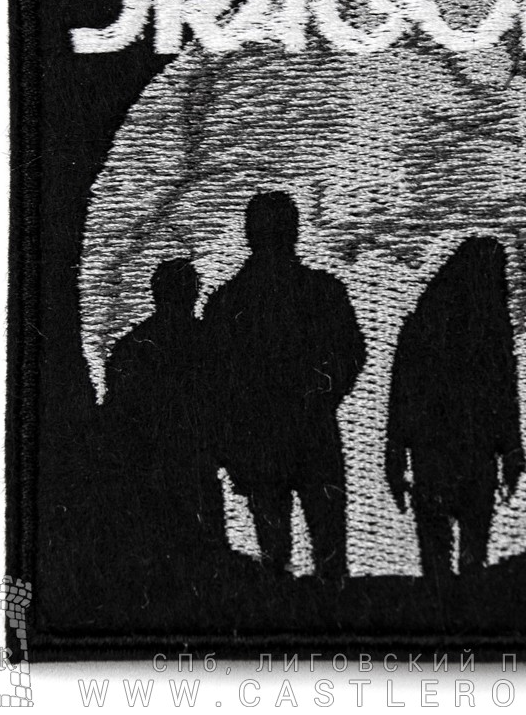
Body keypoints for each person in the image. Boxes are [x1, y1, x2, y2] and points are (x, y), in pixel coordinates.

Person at [201, 191, 365, 580]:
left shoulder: (227, 300)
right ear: (294, 231)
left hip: (258, 436)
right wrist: (321, 396)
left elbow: (214, 380)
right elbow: (351, 353)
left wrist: (229, 442)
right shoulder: (323, 290)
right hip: (312, 430)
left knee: (273, 551)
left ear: (249, 234)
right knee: (328, 549)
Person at [386, 237, 525, 578]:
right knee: (473, 552)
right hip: (478, 454)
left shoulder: (419, 327)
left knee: (435, 553)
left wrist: (395, 456)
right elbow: (505, 399)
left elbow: (400, 401)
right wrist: (510, 451)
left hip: (431, 454)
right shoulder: (493, 333)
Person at [101, 258, 230, 588]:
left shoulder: (131, 347)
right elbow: (228, 404)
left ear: (155, 294)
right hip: (196, 464)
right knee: (205, 557)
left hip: (150, 467)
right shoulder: (211, 343)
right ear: (194, 294)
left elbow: (117, 414)